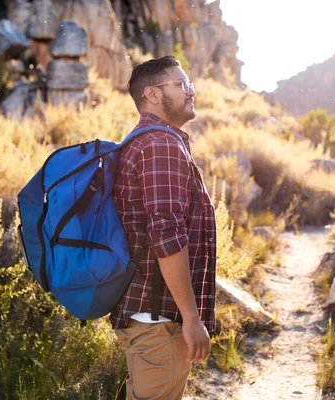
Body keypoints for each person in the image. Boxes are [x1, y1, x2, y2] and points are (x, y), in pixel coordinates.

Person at [110, 55, 217, 399]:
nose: (191, 91)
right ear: (153, 95)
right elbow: (167, 235)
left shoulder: (147, 141)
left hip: (150, 318)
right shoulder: (160, 145)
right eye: (182, 84)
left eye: (191, 84)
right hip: (159, 322)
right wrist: (191, 318)